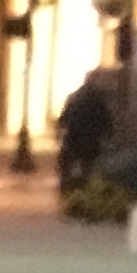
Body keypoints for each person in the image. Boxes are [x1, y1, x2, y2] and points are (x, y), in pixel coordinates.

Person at [54, 62, 122, 191]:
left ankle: (67, 186)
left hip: (74, 137)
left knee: (68, 164)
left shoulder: (75, 97)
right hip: (91, 139)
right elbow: (106, 120)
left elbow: (65, 118)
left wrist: (60, 131)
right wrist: (109, 134)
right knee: (87, 166)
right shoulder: (98, 100)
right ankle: (83, 187)